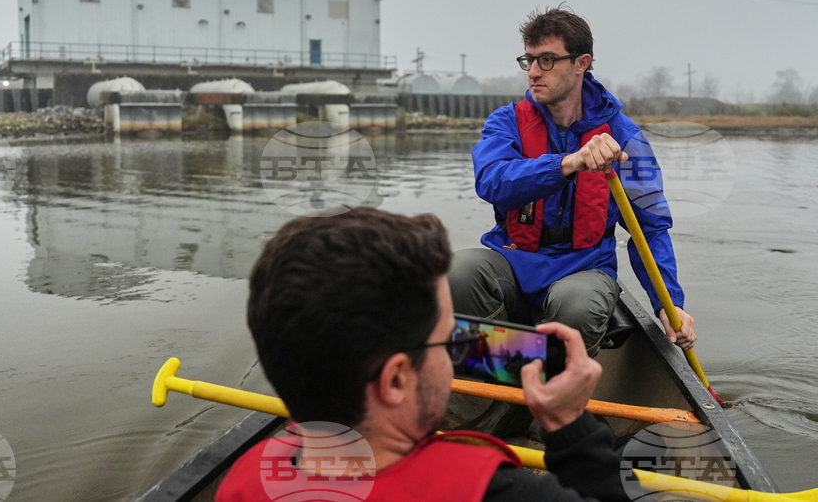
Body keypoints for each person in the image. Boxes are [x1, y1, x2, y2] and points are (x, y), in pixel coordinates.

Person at [217, 207, 629, 501]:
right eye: (450, 337)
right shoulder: (492, 490)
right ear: (396, 380)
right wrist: (572, 426)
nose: (464, 347)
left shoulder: (244, 480)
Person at [449, 6, 696, 355]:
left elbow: (650, 228)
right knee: (458, 273)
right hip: (514, 260)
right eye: (529, 60)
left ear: (581, 63)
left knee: (577, 306)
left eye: (547, 60)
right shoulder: (506, 121)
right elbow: (491, 181)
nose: (534, 72)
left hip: (583, 269)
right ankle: (498, 372)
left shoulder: (624, 137)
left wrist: (669, 305)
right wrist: (569, 163)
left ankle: (557, 385)